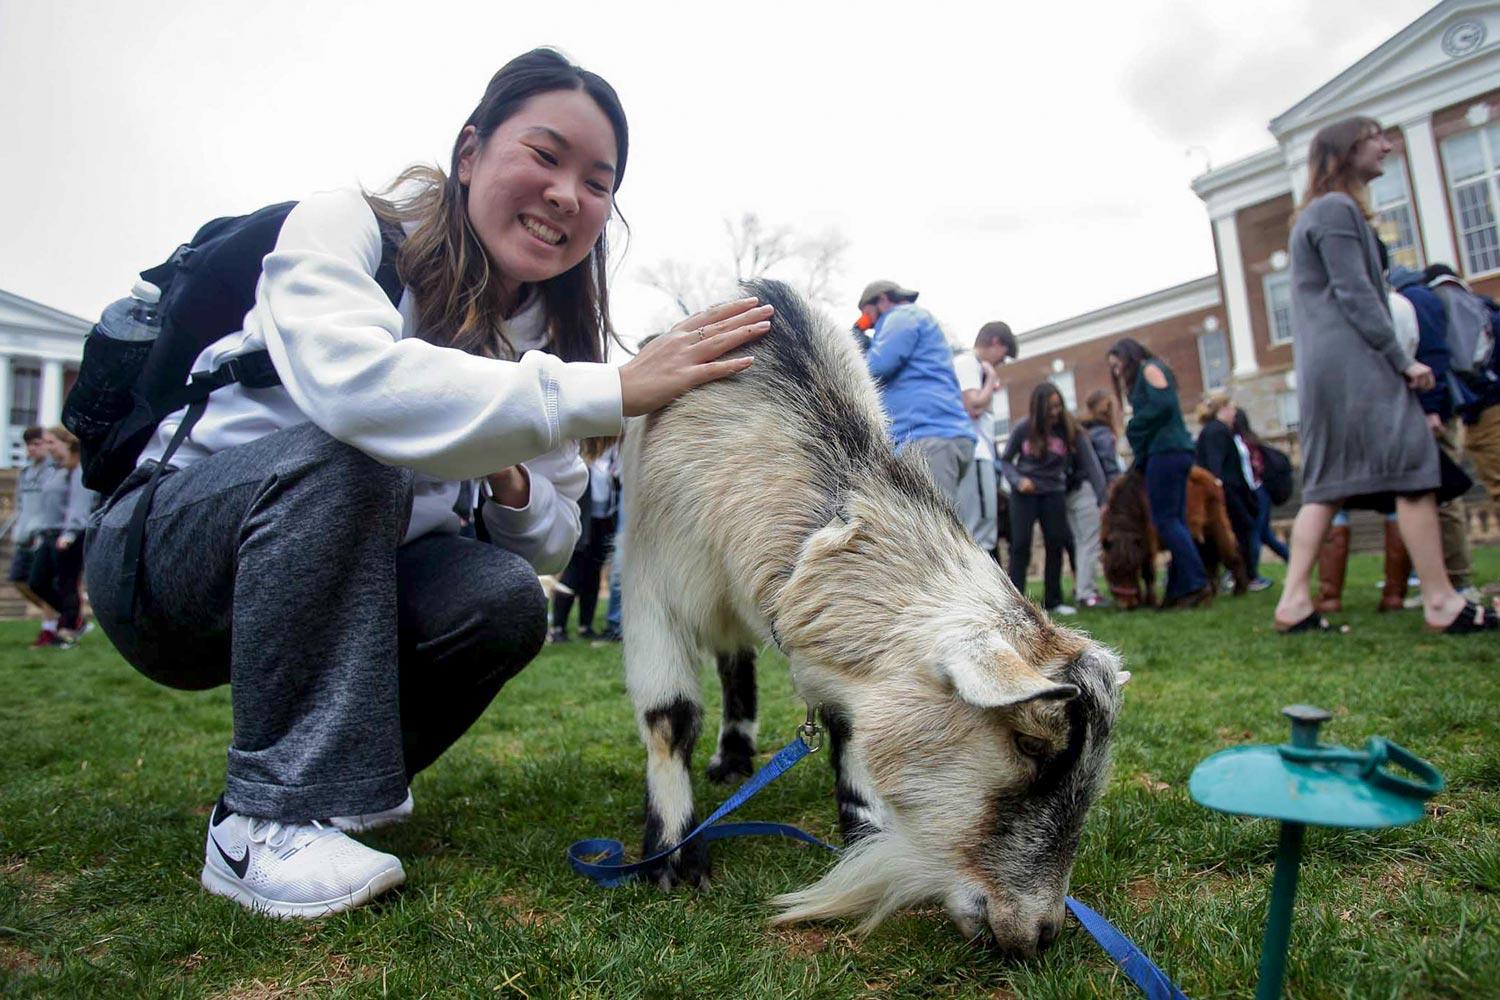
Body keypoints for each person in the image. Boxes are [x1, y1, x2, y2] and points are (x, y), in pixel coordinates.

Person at [82, 49, 771, 918]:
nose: (567, 193)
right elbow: (352, 389)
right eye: (546, 155)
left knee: (504, 596)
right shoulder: (347, 228)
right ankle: (261, 821)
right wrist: (614, 391)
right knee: (351, 453)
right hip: (164, 568)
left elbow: (553, 538)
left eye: (598, 182)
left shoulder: (547, 343)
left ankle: (343, 788)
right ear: (470, 152)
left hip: (335, 598)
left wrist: (509, 470)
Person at [1273, 116, 1493, 634]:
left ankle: (1294, 603)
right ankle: (1441, 600)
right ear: (1346, 148)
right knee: (1415, 463)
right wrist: (1403, 360)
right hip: (1356, 361)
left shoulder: (1318, 213)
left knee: (1327, 484)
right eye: (1377, 138)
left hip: (1327, 368)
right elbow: (1357, 294)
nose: (1388, 146)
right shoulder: (1336, 209)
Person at [1107, 337, 1211, 608]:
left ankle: (1196, 583)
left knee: (1166, 521)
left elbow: (1164, 404)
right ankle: (1180, 588)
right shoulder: (1144, 373)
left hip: (1167, 453)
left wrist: (1133, 426)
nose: (1117, 372)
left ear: (1129, 356)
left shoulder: (1149, 368)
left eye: (1117, 365)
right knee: (1175, 522)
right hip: (1166, 453)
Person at [859, 280, 976, 505]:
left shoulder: (900, 317)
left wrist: (858, 350)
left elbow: (877, 366)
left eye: (867, 315)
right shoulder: (920, 319)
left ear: (882, 300)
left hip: (928, 438)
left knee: (931, 527)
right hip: (946, 436)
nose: (870, 324)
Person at [998, 382, 1107, 614]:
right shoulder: (1023, 429)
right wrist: (1019, 481)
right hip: (1025, 494)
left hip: (1054, 493)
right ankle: (1013, 602)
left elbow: (1092, 465)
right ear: (1039, 409)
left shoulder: (1070, 429)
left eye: (1059, 406)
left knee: (1055, 542)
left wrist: (1102, 499)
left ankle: (1054, 601)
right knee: (1021, 545)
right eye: (1051, 407)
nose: (1056, 412)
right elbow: (1006, 460)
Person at [953, 321, 1018, 558]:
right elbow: (973, 405)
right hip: (976, 453)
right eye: (1002, 356)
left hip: (980, 454)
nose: (1001, 363)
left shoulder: (971, 365)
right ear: (995, 343)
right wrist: (990, 379)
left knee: (982, 529)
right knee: (980, 531)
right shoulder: (969, 363)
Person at [548, 444, 618, 642]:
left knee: (593, 573)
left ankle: (585, 626)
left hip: (602, 522)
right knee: (573, 572)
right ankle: (557, 628)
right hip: (581, 522)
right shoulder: (577, 458)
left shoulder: (609, 460)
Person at [34, 427, 96, 645]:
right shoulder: (55, 469)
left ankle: (68, 630)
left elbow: (78, 505)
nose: (48, 447)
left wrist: (69, 533)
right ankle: (74, 617)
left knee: (66, 582)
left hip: (69, 535)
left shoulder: (77, 469)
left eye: (51, 442)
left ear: (65, 443)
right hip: (50, 533)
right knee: (37, 581)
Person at [1194, 392, 1259, 594]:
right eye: (1232, 408)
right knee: (1241, 531)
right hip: (1228, 491)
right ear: (1223, 409)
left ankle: (1235, 576)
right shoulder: (1218, 431)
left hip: (1227, 490)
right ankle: (1244, 575)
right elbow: (1215, 463)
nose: (1234, 413)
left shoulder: (1213, 430)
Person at [9, 427, 60, 647]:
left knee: (42, 582)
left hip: (44, 535)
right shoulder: (25, 473)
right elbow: (19, 505)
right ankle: (57, 613)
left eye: (37, 443)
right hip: (24, 535)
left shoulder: (55, 471)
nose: (33, 448)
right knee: (18, 580)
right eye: (29, 444)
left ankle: (48, 629)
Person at [1073, 389, 1123, 607]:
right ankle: (1087, 593)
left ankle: (1083, 589)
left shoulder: (1082, 430)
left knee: (1081, 541)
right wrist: (1110, 494)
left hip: (1074, 491)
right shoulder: (1101, 433)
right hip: (1089, 491)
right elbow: (1107, 466)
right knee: (1090, 541)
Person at [1232, 408, 1288, 589]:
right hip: (1262, 491)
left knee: (1254, 534)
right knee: (1265, 535)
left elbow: (1251, 470)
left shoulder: (1241, 444)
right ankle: (1294, 562)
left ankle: (1252, 575)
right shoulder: (1252, 440)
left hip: (1255, 492)